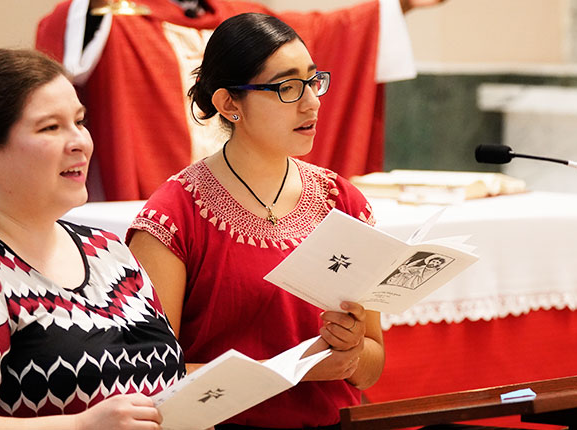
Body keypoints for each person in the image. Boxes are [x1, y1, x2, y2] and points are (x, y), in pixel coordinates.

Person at [0, 48, 185, 429]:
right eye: (50, 127)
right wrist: (81, 426)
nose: (79, 141)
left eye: (79, 122)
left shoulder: (108, 251)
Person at [127, 13, 384, 429]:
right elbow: (153, 379)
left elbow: (372, 367)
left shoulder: (343, 202)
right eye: (287, 87)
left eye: (313, 81)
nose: (311, 102)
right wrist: (298, 365)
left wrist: (351, 349)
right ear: (229, 104)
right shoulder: (173, 215)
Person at [36, 0, 427, 201]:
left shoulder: (239, 18)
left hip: (256, 200)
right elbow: (64, 51)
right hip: (151, 202)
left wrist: (398, 5)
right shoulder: (114, 18)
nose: (310, 100)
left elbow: (323, 36)